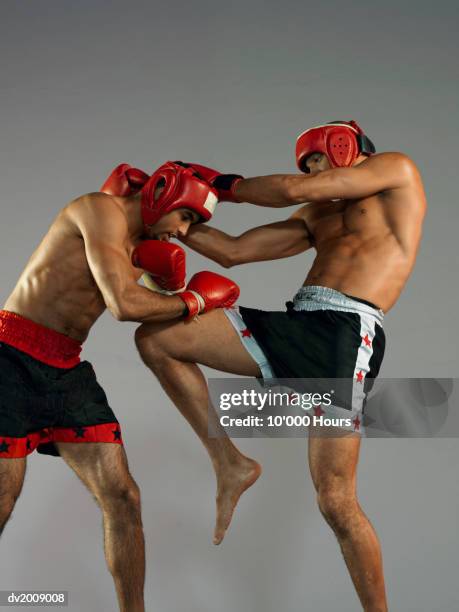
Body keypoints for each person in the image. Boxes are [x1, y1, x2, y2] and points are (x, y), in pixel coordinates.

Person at [134, 121, 427, 611]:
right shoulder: (317, 215)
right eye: (307, 164)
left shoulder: (396, 172)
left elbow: (292, 188)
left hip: (346, 336)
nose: (311, 171)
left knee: (335, 502)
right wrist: (173, 214)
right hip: (298, 322)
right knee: (158, 339)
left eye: (317, 159)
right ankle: (230, 462)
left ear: (345, 147)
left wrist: (221, 185)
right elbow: (233, 251)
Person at [0, 161, 249, 612]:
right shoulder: (99, 211)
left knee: (123, 496)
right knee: (3, 495)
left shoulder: (145, 244)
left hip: (65, 366)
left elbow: (154, 302)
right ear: (162, 192)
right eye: (186, 216)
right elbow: (123, 304)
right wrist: (190, 299)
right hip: (10, 354)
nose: (183, 231)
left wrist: (170, 281)